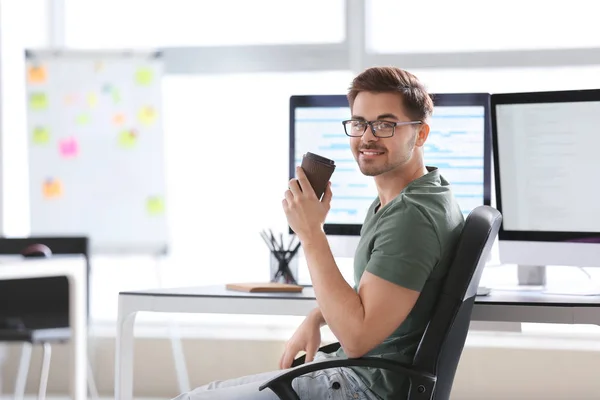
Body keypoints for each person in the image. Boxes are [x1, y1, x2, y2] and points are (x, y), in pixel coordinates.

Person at [172, 66, 464, 400]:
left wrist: (311, 233)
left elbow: (356, 339)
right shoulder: (423, 194)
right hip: (355, 375)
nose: (367, 137)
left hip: (363, 387)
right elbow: (379, 296)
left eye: (385, 125)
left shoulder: (412, 217)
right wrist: (317, 315)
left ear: (421, 134)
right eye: (358, 123)